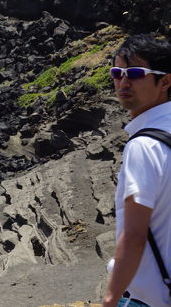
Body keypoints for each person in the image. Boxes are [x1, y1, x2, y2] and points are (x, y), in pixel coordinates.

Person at [103, 34, 171, 307]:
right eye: (117, 73)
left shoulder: (144, 146)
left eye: (135, 73)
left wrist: (110, 299)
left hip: (148, 298)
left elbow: (133, 236)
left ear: (165, 81)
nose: (123, 82)